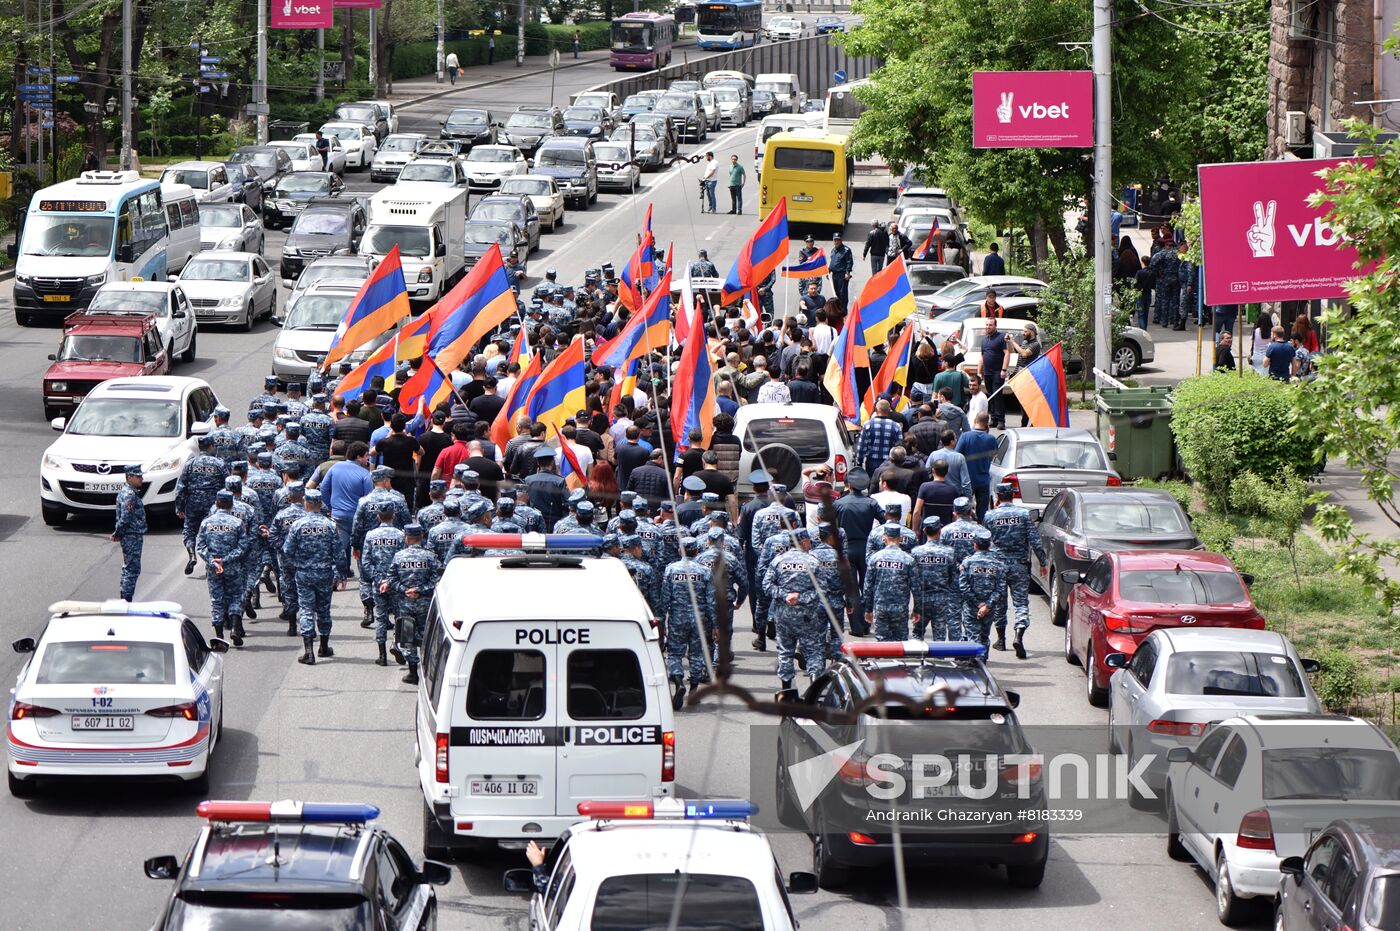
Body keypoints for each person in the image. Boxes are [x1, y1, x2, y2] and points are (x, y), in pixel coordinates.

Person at [982, 482, 1046, 657]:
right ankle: (1019, 635)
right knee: (1021, 604)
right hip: (1019, 564)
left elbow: (983, 542)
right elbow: (1035, 540)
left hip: (997, 565)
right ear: (1013, 495)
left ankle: (1001, 640)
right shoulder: (1024, 514)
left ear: (997, 497)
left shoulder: (989, 516)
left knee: (999, 603)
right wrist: (1043, 561)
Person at [658, 537, 716, 708]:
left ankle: (678, 682)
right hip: (700, 619)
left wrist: (663, 621)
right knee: (696, 654)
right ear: (697, 551)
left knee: (675, 653)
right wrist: (715, 625)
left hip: (678, 618)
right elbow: (712, 601)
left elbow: (664, 598)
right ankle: (694, 690)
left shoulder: (671, 569)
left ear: (679, 551)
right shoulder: (705, 572)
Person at [283, 488, 339, 665]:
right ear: (321, 504)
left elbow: (287, 550)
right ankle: (323, 646)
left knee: (306, 609)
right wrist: (341, 573)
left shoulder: (298, 525)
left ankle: (309, 651)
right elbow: (339, 553)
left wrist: (296, 564)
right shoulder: (330, 525)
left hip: (304, 573)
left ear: (306, 504)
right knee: (324, 610)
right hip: (324, 573)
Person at [764, 527, 824, 690]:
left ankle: (787, 691)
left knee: (785, 652)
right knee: (813, 652)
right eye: (808, 541)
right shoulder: (812, 561)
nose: (810, 544)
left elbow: (767, 586)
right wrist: (801, 597)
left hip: (783, 615)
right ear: (803, 541)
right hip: (807, 616)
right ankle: (814, 691)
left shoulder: (778, 560)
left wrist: (785, 596)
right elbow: (822, 590)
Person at [383, 524, 443, 685]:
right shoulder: (430, 556)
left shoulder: (399, 556)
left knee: (406, 636)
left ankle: (412, 672)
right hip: (424, 602)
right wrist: (421, 590)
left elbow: (391, 579)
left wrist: (405, 590)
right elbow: (437, 578)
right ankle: (428, 670)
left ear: (407, 538)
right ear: (421, 537)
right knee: (426, 636)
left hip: (405, 602)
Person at [197, 490, 248, 645]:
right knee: (235, 597)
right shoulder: (238, 523)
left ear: (216, 503)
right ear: (231, 505)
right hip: (232, 567)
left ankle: (219, 638)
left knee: (217, 601)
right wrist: (226, 560)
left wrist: (213, 561)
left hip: (214, 569)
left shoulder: (206, 523)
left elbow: (200, 546)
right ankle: (234, 628)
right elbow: (242, 547)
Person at [176, 435, 228, 575]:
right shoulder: (219, 464)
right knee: (211, 531)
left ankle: (192, 554)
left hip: (193, 502)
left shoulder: (191, 464)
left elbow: (181, 487)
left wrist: (179, 507)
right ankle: (211, 561)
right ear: (210, 447)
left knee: (190, 531)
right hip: (213, 504)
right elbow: (227, 486)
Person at [359, 509, 405, 667]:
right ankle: (397, 644)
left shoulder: (371, 535)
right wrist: (392, 580)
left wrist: (378, 579)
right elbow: (403, 561)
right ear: (393, 515)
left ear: (378, 516)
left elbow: (365, 562)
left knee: (380, 617)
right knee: (400, 616)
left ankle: (382, 655)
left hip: (378, 584)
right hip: (396, 583)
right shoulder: (400, 535)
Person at [864, 524, 916, 642]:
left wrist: (868, 609)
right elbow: (916, 587)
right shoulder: (908, 559)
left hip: (880, 606)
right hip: (900, 608)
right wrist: (917, 609)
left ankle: (883, 661)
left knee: (882, 643)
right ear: (900, 538)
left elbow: (868, 586)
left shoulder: (875, 558)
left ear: (885, 537)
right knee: (901, 643)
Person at [911, 516, 959, 639]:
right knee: (939, 635)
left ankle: (916, 657)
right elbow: (954, 578)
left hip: (921, 598)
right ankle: (939, 658)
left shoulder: (916, 552)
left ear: (924, 531)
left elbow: (912, 578)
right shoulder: (949, 552)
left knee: (917, 633)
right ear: (940, 531)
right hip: (942, 599)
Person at [957, 529, 1005, 647]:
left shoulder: (968, 563)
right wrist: (987, 606)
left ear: (975, 544)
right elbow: (1000, 589)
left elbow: (963, 587)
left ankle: (975, 663)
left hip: (971, 607)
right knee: (984, 637)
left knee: (972, 637)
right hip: (988, 609)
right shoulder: (998, 564)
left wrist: (978, 604)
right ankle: (982, 662)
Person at [112, 464, 147, 601]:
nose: (141, 479)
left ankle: (124, 596)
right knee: (132, 569)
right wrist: (118, 533)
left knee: (129, 567)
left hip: (131, 534)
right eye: (138, 476)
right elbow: (125, 517)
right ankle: (126, 599)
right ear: (129, 477)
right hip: (131, 535)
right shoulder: (130, 495)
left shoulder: (126, 492)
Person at [955, 412, 998, 519]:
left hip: (967, 480)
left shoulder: (965, 436)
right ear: (987, 423)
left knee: (964, 508)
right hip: (983, 479)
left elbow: (957, 455)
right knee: (983, 510)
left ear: (975, 421)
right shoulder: (991, 439)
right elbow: (994, 455)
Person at [524, 446, 569, 528]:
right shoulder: (559, 481)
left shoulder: (528, 480)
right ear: (552, 462)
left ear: (538, 463)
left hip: (533, 522)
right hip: (554, 522)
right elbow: (567, 503)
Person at [856, 398, 903, 473]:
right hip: (890, 463)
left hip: (872, 463)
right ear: (889, 410)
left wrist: (859, 462)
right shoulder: (896, 426)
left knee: (873, 483)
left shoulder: (868, 425)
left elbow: (862, 447)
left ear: (876, 410)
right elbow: (899, 447)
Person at [977, 319, 1008, 430]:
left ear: (995, 326)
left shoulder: (1001, 337)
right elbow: (982, 356)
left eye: (990, 325)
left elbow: (1007, 353)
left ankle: (1001, 421)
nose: (988, 326)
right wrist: (979, 371)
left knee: (997, 395)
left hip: (997, 372)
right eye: (987, 325)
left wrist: (1004, 369)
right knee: (990, 395)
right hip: (987, 372)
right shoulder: (984, 339)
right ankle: (993, 419)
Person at [828, 232, 853, 307]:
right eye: (835, 240)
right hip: (834, 275)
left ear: (841, 240)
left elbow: (849, 262)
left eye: (838, 240)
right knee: (836, 294)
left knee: (843, 294)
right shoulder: (833, 250)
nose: (837, 241)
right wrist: (829, 271)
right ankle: (838, 310)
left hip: (842, 275)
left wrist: (847, 272)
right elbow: (833, 262)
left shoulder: (846, 250)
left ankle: (844, 312)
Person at [1133, 256, 1155, 330]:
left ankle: (1142, 329)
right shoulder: (1152, 273)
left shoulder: (1139, 272)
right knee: (1146, 313)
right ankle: (1145, 327)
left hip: (1140, 294)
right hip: (1148, 294)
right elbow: (1153, 285)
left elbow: (1134, 283)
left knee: (1140, 314)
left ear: (1142, 262)